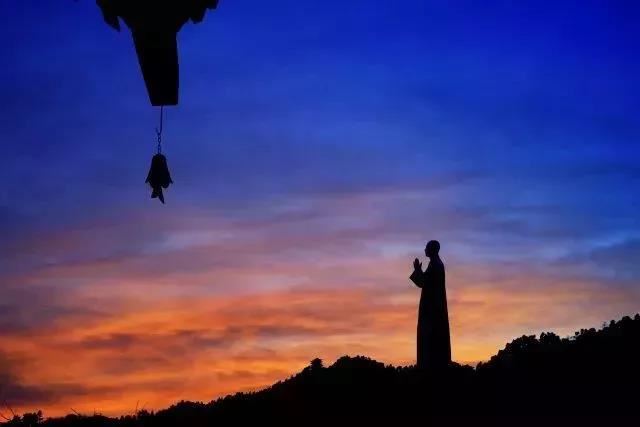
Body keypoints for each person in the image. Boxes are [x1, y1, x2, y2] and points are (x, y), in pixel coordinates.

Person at [410, 240, 451, 370]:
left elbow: (424, 283)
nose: (425, 249)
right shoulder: (434, 264)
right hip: (432, 308)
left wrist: (417, 270)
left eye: (426, 247)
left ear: (432, 249)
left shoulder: (436, 265)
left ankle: (430, 368)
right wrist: (418, 271)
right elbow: (426, 282)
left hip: (432, 310)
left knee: (430, 340)